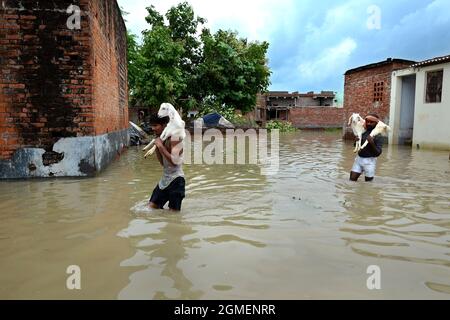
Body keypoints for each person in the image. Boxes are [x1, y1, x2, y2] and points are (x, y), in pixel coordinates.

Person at [148, 114, 185, 211]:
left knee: (173, 215)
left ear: (164, 126)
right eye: (152, 125)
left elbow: (174, 162)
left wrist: (160, 146)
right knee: (151, 208)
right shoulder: (162, 139)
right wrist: (157, 148)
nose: (152, 128)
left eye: (155, 125)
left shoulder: (175, 138)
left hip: (177, 180)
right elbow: (163, 164)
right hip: (165, 180)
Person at [350, 113, 383, 182]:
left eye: (371, 122)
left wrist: (372, 143)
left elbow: (378, 153)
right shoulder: (363, 131)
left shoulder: (378, 135)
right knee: (352, 180)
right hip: (359, 159)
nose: (368, 123)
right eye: (367, 121)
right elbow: (356, 146)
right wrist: (356, 141)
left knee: (368, 183)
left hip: (370, 161)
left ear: (376, 123)